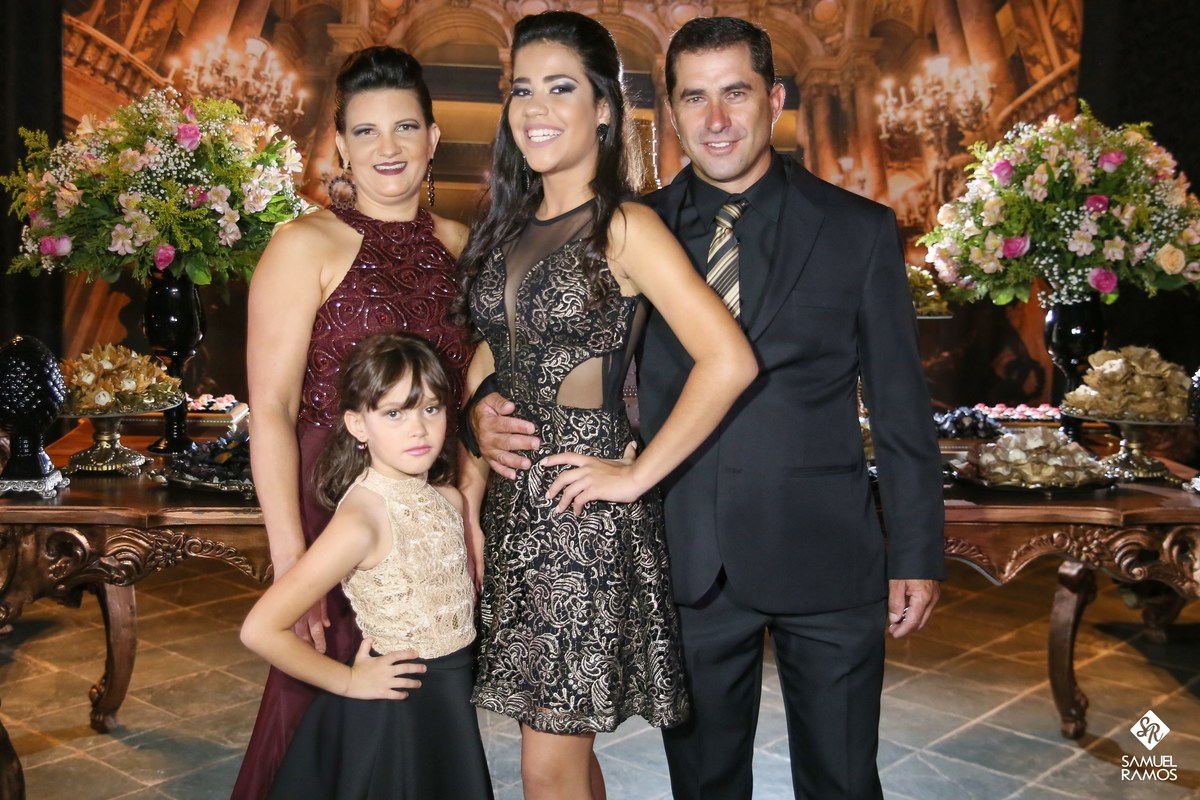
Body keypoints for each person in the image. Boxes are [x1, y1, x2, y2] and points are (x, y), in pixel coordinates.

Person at [472, 16, 945, 800]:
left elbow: (901, 405)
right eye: (694, 98)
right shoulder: (632, 224)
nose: (716, 118)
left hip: (827, 554)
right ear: (671, 110)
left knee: (842, 782)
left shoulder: (856, 230)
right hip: (688, 555)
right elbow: (547, 346)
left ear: (775, 99)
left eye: (736, 93)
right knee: (704, 787)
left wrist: (918, 551)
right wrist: (480, 414)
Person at [455, 11, 758, 800]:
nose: (535, 108)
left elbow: (729, 360)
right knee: (560, 747)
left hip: (580, 519)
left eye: (561, 88)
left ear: (602, 108)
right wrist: (476, 427)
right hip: (515, 513)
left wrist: (637, 474)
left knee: (545, 765)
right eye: (523, 89)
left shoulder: (625, 226)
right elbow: (490, 349)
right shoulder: (508, 226)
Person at [234, 47, 473, 798]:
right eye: (366, 131)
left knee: (421, 696)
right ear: (340, 144)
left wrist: (467, 513)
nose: (387, 148)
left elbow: (468, 401)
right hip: (331, 504)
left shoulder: (461, 246)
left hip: (428, 504)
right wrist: (291, 560)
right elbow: (272, 409)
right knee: (317, 692)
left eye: (405, 127)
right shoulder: (302, 244)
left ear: (433, 138)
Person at [241, 332, 492, 799]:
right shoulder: (363, 519)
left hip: (448, 711)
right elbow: (260, 629)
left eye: (431, 408)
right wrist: (349, 680)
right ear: (358, 425)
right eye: (394, 413)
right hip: (393, 717)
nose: (418, 429)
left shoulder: (449, 500)